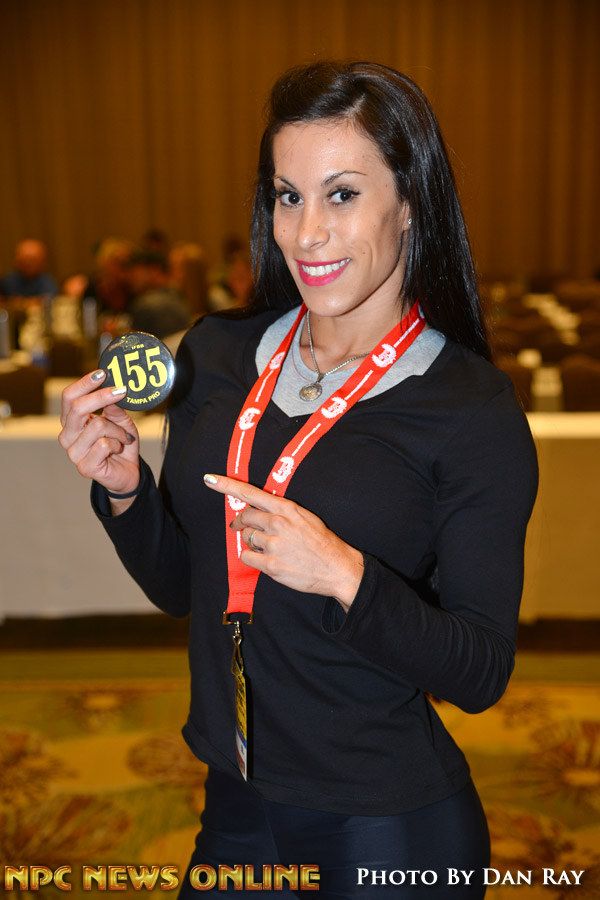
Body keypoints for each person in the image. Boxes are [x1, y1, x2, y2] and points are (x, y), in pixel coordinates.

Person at [58, 61, 538, 897]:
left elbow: (480, 672)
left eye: (342, 194)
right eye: (288, 196)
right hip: (235, 803)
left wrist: (344, 575)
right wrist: (126, 490)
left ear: (410, 204)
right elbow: (184, 587)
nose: (308, 233)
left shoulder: (470, 409)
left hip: (388, 824)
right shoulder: (216, 354)